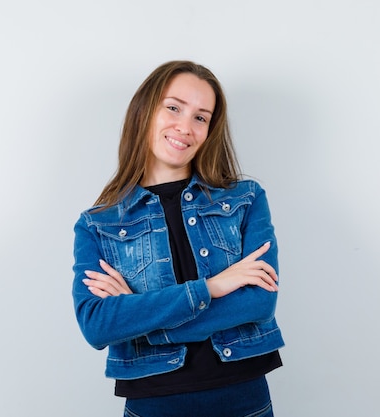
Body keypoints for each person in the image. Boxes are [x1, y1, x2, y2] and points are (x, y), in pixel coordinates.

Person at [72, 60, 285, 417]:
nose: (185, 127)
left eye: (201, 117)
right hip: (153, 406)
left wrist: (146, 321)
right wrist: (213, 287)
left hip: (244, 402)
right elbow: (97, 325)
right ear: (145, 112)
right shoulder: (99, 224)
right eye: (173, 108)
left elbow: (258, 303)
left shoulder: (245, 199)